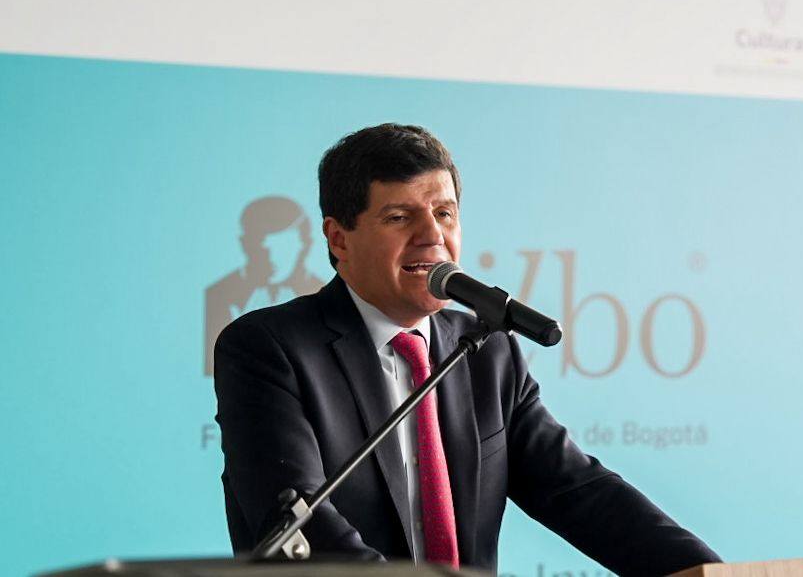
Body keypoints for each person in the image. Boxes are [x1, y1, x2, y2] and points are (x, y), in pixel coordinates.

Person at [214, 123, 721, 575]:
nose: (432, 235)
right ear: (339, 239)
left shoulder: (486, 349)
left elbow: (575, 489)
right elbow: (299, 521)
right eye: (400, 217)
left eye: (444, 213)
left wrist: (703, 570)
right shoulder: (268, 349)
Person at [204, 196, 325, 375]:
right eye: (263, 248)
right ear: (245, 244)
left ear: (304, 244)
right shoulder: (216, 295)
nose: (272, 259)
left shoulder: (330, 302)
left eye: (283, 248)